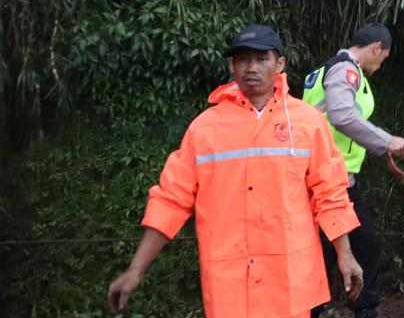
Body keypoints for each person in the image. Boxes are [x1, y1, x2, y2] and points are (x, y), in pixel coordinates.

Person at [106, 25, 363, 318]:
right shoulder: (204, 129)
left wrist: (345, 254)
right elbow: (171, 200)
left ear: (280, 64)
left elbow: (329, 193)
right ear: (231, 64)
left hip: (290, 282)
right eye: (242, 59)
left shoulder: (307, 123)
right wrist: (135, 270)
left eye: (261, 59)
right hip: (230, 285)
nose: (250, 68)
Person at [302, 23, 404, 318]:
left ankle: (317, 309)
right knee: (363, 245)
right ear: (376, 48)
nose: (380, 65)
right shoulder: (346, 70)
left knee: (326, 251)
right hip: (332, 180)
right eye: (383, 58)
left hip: (321, 176)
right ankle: (363, 311)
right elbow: (341, 114)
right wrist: (386, 142)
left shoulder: (321, 71)